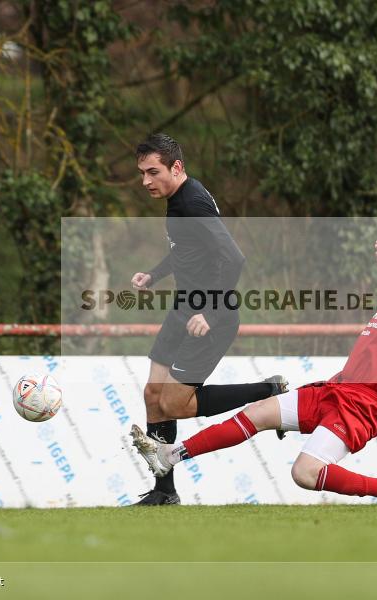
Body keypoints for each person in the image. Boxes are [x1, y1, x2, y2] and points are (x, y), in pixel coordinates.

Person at [131, 206, 377, 506]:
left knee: (304, 473)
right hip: (334, 390)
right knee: (258, 413)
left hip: (362, 407)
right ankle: (169, 455)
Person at [130, 133, 287, 505]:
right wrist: (153, 275)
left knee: (175, 404)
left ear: (177, 167)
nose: (146, 181)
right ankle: (164, 492)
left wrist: (211, 311)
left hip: (210, 314)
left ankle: (269, 391)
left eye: (153, 172)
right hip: (184, 307)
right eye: (142, 173)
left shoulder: (194, 203)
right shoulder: (176, 199)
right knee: (153, 394)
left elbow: (234, 259)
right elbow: (184, 251)